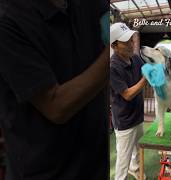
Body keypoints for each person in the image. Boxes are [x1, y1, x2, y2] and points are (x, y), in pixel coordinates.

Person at [0, 0, 108, 179]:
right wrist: (109, 60)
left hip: (94, 165)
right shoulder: (8, 20)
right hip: (47, 172)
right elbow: (55, 105)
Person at [110, 22, 147, 180]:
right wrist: (146, 79)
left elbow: (146, 69)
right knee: (123, 159)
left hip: (137, 116)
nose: (132, 44)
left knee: (138, 149)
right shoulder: (112, 67)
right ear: (114, 45)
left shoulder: (136, 59)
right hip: (124, 120)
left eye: (131, 40)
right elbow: (127, 94)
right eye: (126, 42)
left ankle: (135, 168)